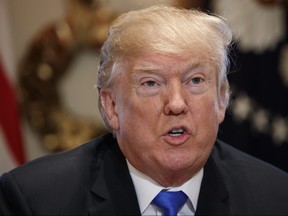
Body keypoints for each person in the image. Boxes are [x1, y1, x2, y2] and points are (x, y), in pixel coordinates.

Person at [1, 5, 288, 216]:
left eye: (196, 80)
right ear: (111, 106)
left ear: (222, 99)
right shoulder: (33, 200)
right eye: (151, 83)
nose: (176, 103)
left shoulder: (276, 197)